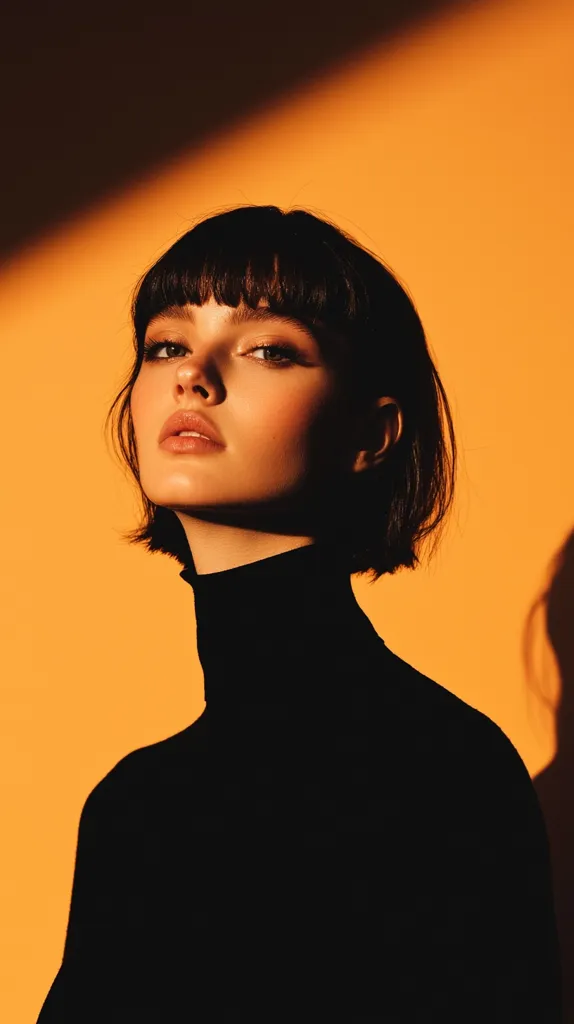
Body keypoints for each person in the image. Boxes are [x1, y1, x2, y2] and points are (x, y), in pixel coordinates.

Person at [36, 204, 562, 1022]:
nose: (192, 376)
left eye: (269, 349)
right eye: (166, 344)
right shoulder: (135, 808)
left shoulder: (437, 775)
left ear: (374, 434)